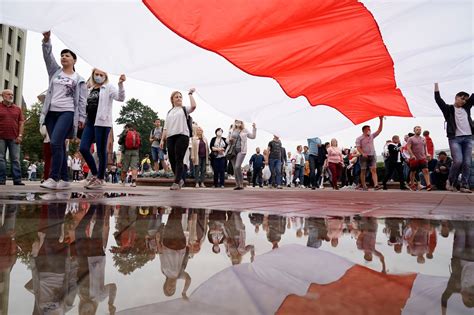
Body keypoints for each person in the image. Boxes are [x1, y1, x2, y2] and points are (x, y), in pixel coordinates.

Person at [39, 31, 87, 190]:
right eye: (62, 55)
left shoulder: (79, 79)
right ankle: (65, 179)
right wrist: (46, 40)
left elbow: (81, 100)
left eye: (67, 55)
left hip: (67, 112)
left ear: (74, 60)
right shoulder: (55, 72)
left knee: (55, 143)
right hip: (51, 113)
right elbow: (48, 57)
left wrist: (81, 118)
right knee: (58, 145)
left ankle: (53, 177)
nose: (64, 57)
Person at [79, 68, 126, 189]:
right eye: (96, 74)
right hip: (90, 121)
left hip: (103, 122)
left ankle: (100, 178)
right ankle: (95, 173)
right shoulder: (89, 89)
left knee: (101, 151)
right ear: (93, 75)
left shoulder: (108, 87)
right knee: (83, 148)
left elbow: (120, 98)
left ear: (105, 77)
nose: (99, 76)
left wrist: (120, 84)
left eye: (101, 75)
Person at [435, 83, 473, 193]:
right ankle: (450, 181)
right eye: (462, 99)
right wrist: (436, 83)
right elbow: (438, 99)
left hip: (468, 138)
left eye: (466, 100)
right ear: (456, 97)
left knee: (467, 163)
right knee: (458, 161)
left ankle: (464, 185)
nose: (464, 101)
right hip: (455, 138)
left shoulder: (466, 108)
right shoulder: (448, 109)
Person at [160, 89, 197, 190]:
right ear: (172, 100)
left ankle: (176, 182)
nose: (179, 98)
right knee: (172, 160)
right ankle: (179, 179)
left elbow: (193, 106)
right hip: (170, 137)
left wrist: (190, 94)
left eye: (180, 97)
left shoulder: (185, 109)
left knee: (179, 158)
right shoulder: (169, 112)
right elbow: (165, 128)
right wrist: (162, 140)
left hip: (182, 135)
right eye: (176, 97)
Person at [0, 89, 25, 185]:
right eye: (9, 94)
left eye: (12, 95)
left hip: (15, 137)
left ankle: (17, 180)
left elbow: (21, 123)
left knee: (15, 159)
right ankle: (1, 180)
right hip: (0, 137)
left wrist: (20, 135)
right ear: (3, 96)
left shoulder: (17, 109)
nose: (11, 96)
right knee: (1, 159)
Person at [355, 116, 384, 190]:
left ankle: (376, 185)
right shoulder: (359, 138)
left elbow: (379, 130)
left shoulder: (371, 136)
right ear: (364, 130)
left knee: (374, 170)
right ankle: (364, 185)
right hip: (363, 156)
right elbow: (358, 147)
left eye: (370, 129)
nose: (370, 130)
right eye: (368, 129)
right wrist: (362, 153)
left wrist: (381, 120)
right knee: (363, 170)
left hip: (372, 155)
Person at [228, 120, 257, 190]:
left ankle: (241, 184)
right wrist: (229, 140)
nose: (238, 123)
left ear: (242, 123)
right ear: (235, 123)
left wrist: (254, 128)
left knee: (237, 166)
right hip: (232, 150)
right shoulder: (232, 130)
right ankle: (237, 184)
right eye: (237, 122)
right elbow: (227, 139)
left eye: (240, 122)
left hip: (241, 150)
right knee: (234, 168)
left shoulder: (245, 130)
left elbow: (253, 136)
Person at [406, 126, 432, 191]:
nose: (419, 131)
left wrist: (427, 154)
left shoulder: (423, 139)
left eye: (420, 130)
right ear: (414, 131)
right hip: (414, 158)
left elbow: (425, 147)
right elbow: (408, 147)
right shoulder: (411, 139)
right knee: (413, 172)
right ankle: (412, 184)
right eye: (417, 130)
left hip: (422, 157)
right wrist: (412, 155)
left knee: (426, 170)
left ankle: (428, 185)